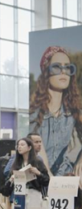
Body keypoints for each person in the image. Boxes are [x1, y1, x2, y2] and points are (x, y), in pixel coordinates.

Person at [30, 46, 82, 176]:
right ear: (46, 72)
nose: (63, 71)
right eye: (57, 67)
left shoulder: (73, 112)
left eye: (68, 67)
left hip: (65, 176)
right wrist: (51, 180)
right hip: (40, 178)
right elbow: (38, 156)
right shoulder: (34, 113)